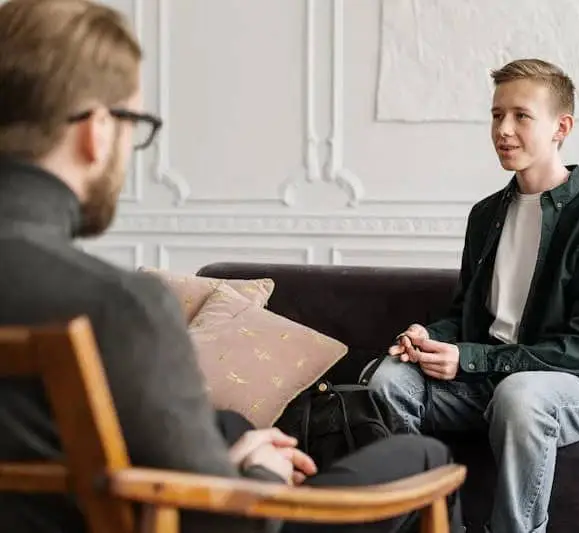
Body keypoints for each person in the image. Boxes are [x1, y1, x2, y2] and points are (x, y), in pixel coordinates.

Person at [0, 1, 462, 533]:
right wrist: (259, 474)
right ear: (98, 130)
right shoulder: (119, 308)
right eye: (135, 126)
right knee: (424, 459)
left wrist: (224, 461)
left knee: (226, 426)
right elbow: (222, 527)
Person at [368, 58, 579, 533]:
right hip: (482, 383)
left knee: (519, 395)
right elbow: (465, 313)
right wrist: (429, 336)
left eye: (521, 116)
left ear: (560, 127)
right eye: (496, 115)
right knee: (389, 381)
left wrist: (469, 358)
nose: (503, 130)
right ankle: (431, 523)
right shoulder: (485, 215)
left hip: (569, 388)